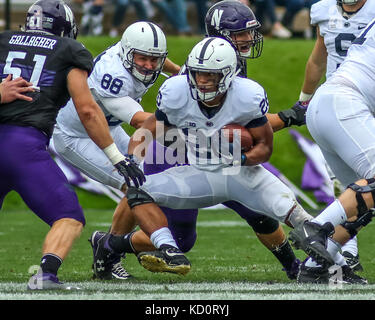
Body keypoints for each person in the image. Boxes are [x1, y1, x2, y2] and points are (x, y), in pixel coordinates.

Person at [89, 1, 308, 282]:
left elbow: (246, 127)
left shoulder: (226, 64)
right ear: (221, 35)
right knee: (168, 225)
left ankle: (293, 268)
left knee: (258, 211)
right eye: (240, 33)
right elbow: (239, 131)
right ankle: (110, 246)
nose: (248, 39)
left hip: (210, 151)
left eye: (248, 33)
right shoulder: (207, 72)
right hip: (174, 150)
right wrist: (289, 117)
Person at [0, 0, 144, 290]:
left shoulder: (4, 41)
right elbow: (88, 111)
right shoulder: (69, 50)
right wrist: (116, 156)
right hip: (22, 145)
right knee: (68, 216)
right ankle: (45, 276)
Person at [52, 21, 181, 279]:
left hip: (106, 127)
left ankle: (108, 246)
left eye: (153, 60)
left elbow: (157, 60)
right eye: (142, 58)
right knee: (136, 187)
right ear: (127, 52)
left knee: (145, 183)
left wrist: (180, 72)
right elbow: (139, 120)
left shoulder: (134, 53)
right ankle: (110, 255)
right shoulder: (114, 76)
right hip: (76, 135)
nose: (148, 65)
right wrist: (184, 120)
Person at [289, 15, 375, 283]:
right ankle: (315, 229)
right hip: (344, 104)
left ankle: (317, 266)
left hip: (330, 105)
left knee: (364, 202)